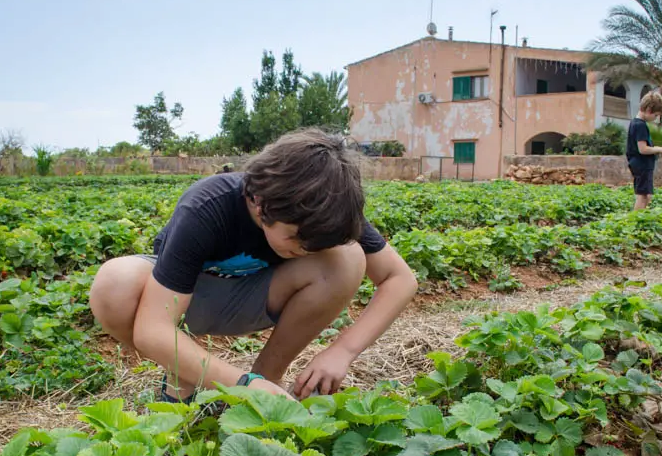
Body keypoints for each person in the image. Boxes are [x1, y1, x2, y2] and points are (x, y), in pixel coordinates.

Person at [89, 128, 418, 402]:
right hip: (182, 301)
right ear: (260, 201)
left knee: (346, 256)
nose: (306, 250)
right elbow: (152, 328)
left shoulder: (326, 208)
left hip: (254, 297)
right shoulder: (207, 205)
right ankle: (184, 375)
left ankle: (267, 379)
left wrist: (342, 351)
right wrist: (241, 384)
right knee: (114, 283)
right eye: (295, 238)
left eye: (315, 243)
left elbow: (400, 279)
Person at [626, 91, 662, 210]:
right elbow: (643, 149)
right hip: (642, 165)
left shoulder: (635, 123)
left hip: (641, 165)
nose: (656, 118)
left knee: (646, 195)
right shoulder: (640, 125)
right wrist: (659, 149)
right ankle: (637, 221)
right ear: (648, 109)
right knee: (643, 196)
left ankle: (639, 218)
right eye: (656, 115)